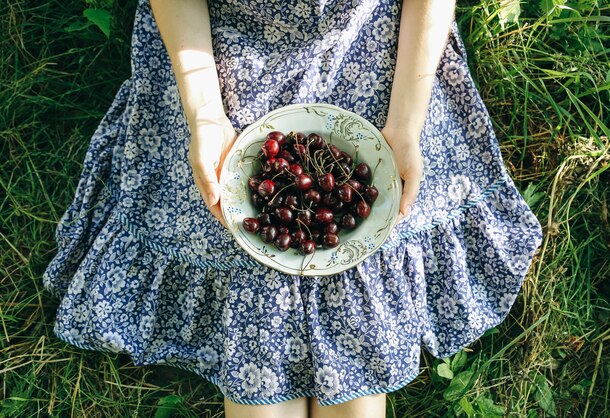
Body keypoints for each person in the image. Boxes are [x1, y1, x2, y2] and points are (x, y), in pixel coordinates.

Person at [42, 0, 544, 417]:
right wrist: (206, 117)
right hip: (222, 44)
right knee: (238, 221)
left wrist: (406, 123)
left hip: (366, 41)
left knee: (361, 242)